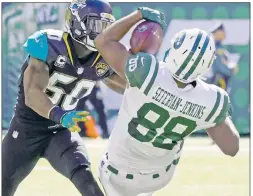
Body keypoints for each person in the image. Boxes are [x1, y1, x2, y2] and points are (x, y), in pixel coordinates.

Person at [94, 7, 240, 196]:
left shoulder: (147, 70)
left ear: (174, 49)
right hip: (159, 177)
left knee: (134, 91)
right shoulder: (212, 98)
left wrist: (139, 14)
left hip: (117, 174)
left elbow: (103, 41)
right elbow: (231, 148)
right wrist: (215, 115)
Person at [2, 0, 126, 196]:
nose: (102, 33)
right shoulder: (49, 44)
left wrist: (149, 78)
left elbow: (128, 86)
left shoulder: (101, 58)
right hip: (26, 131)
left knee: (87, 181)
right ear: (78, 23)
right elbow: (32, 94)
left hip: (60, 133)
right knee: (3, 188)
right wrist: (61, 115)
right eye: (96, 25)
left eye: (106, 26)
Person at [205, 22, 238, 94]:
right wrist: (230, 69)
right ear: (218, 33)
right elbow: (220, 66)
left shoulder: (220, 47)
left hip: (222, 78)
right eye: (222, 32)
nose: (224, 33)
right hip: (220, 79)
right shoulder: (217, 48)